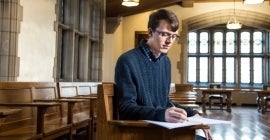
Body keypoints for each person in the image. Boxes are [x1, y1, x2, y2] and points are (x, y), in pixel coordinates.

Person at [114, 9, 212, 140]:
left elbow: (164, 102)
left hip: (161, 129)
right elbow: (126, 109)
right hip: (140, 131)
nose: (169, 41)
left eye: (174, 36)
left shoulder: (165, 62)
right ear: (150, 32)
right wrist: (162, 115)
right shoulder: (127, 60)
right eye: (164, 34)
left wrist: (193, 114)